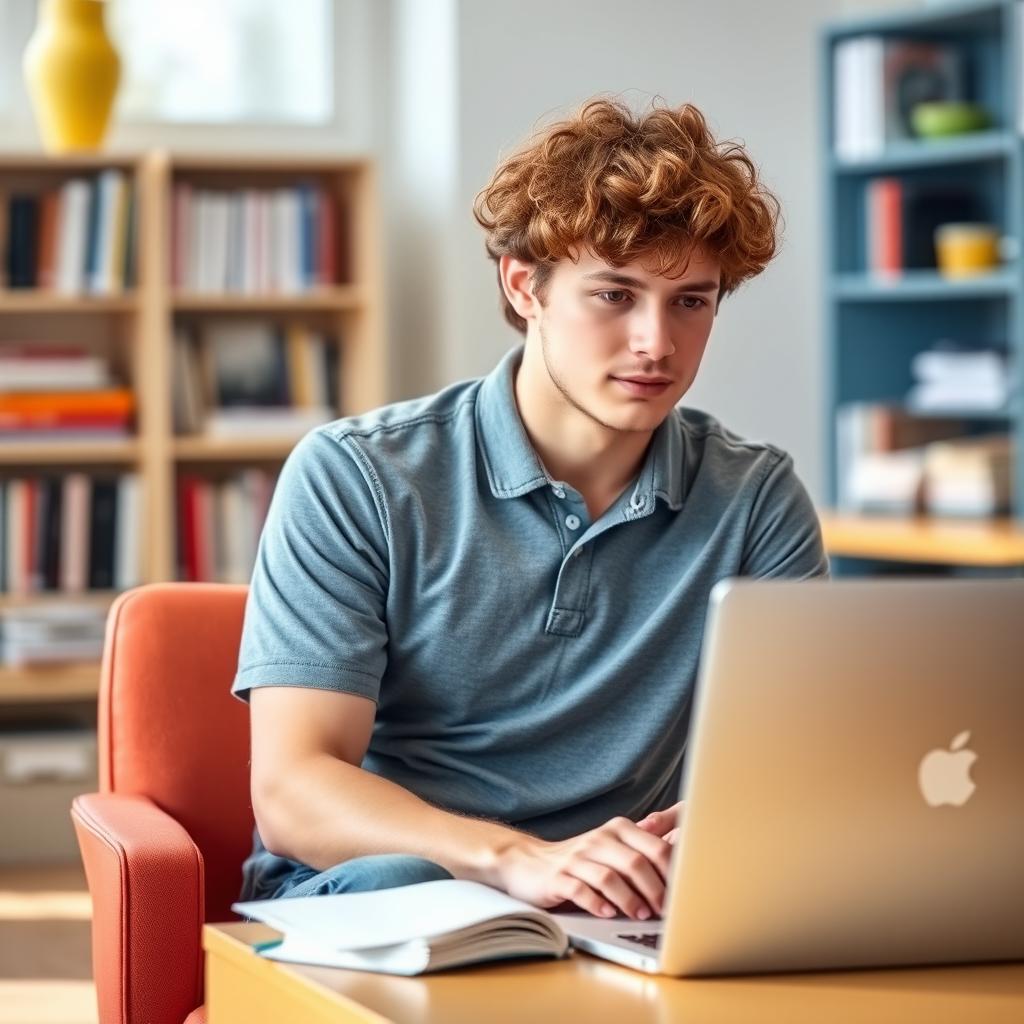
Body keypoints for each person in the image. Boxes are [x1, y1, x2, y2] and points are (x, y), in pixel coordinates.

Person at [232, 96, 829, 923]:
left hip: (627, 910)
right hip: (393, 896)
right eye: (615, 295)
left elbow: (798, 762)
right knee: (404, 887)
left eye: (691, 301)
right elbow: (294, 791)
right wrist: (520, 861)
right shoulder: (357, 476)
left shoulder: (756, 498)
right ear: (526, 286)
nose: (657, 342)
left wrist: (725, 829)